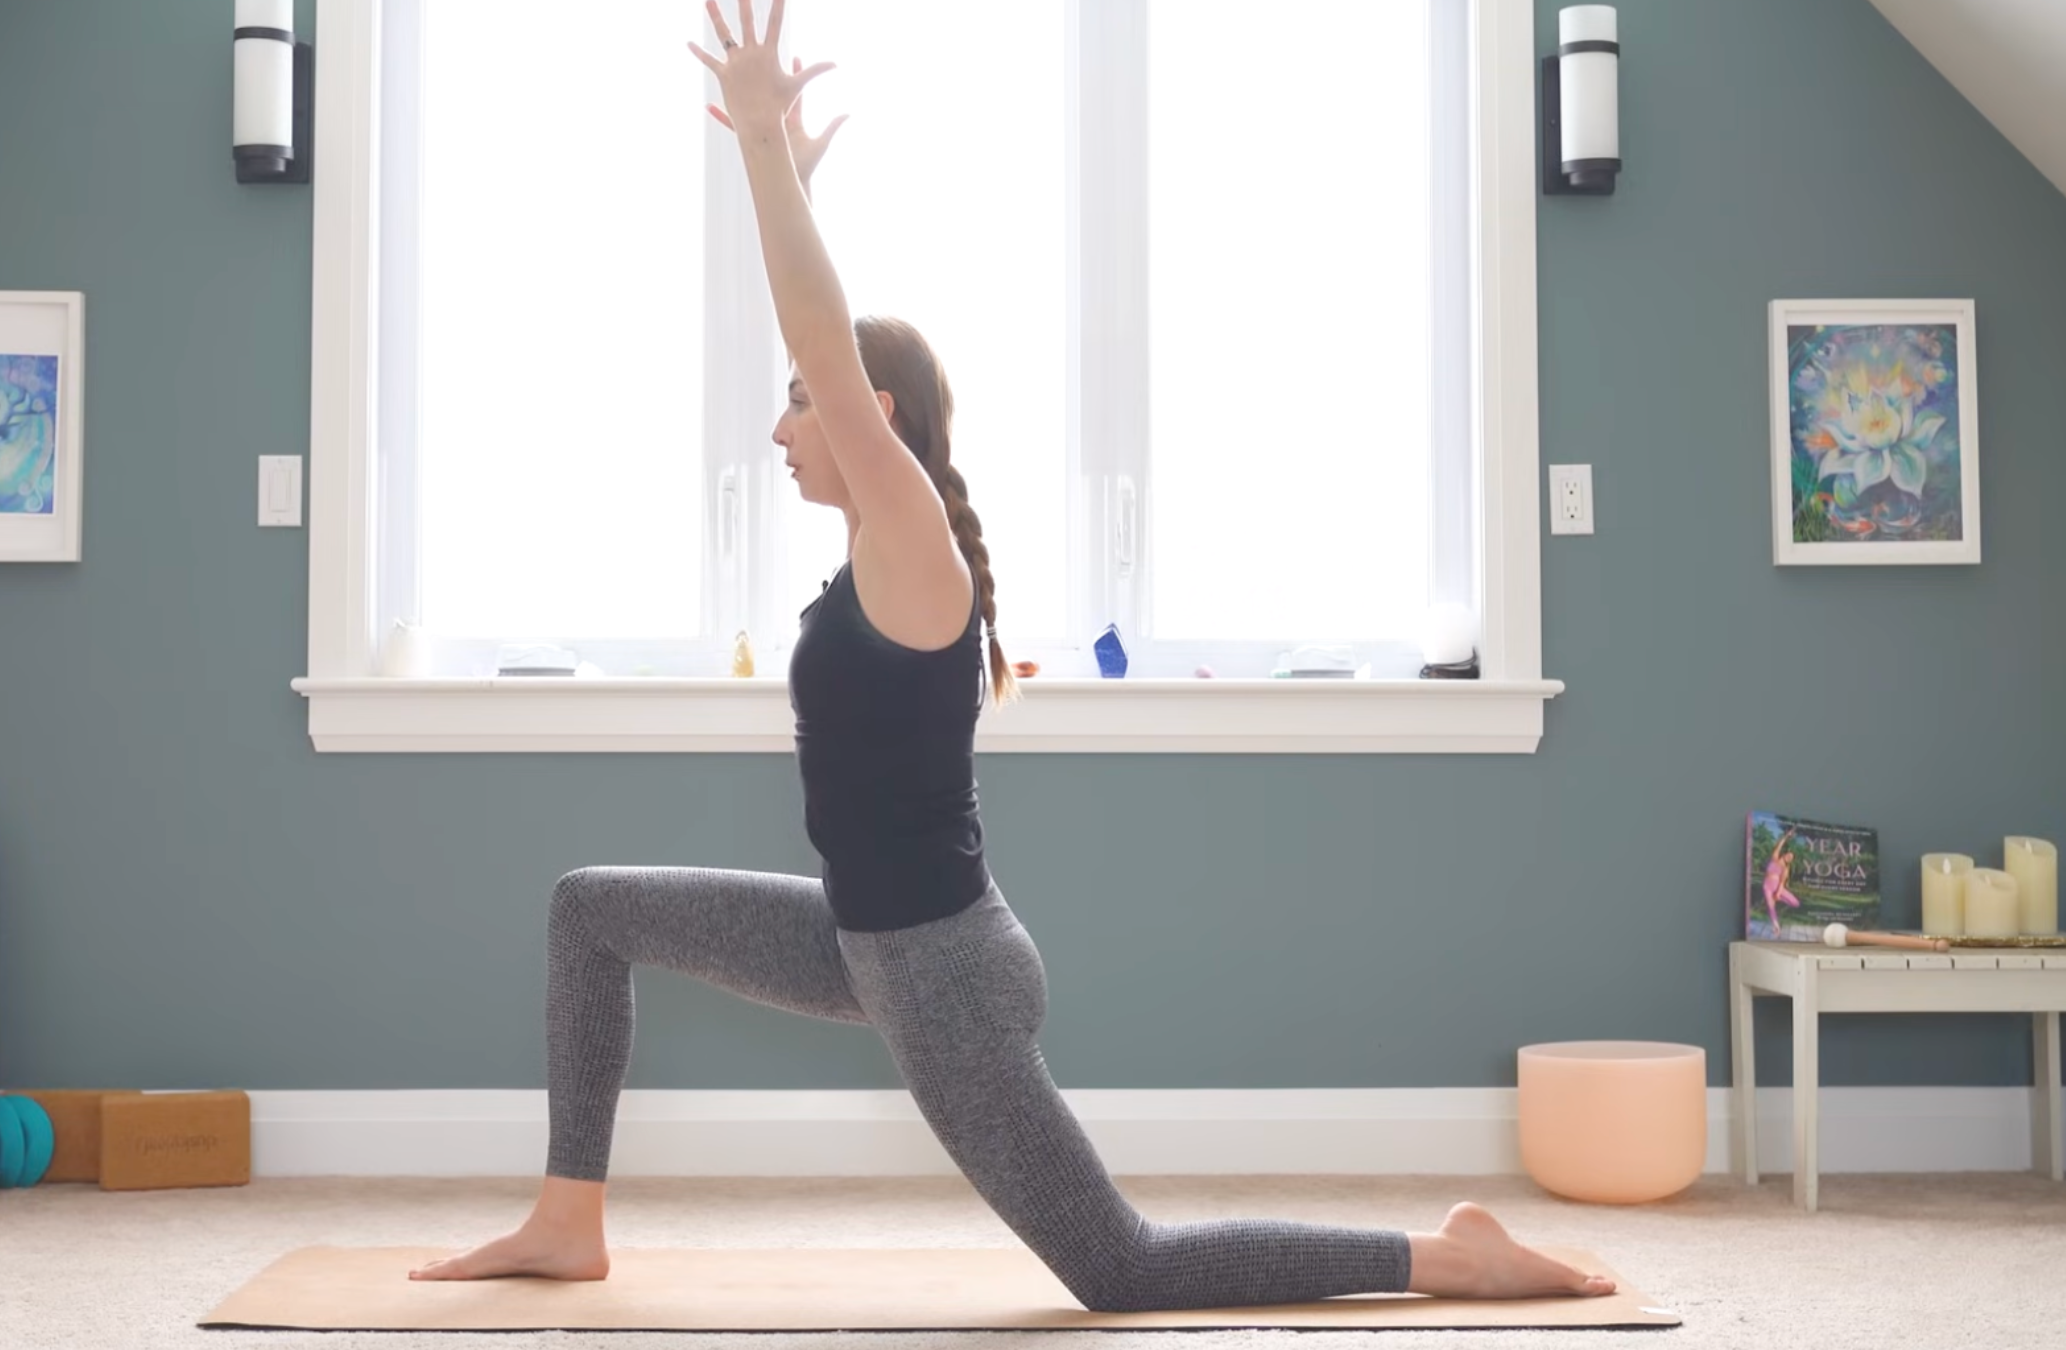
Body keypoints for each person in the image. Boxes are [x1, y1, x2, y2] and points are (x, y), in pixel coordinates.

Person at [412, 0, 1616, 1311]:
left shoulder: (910, 536)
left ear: (874, 419)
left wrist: (761, 149)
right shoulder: (882, 551)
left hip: (942, 973)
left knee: (1121, 1267)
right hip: (869, 937)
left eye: (801, 400)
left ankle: (1448, 1257)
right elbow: (820, 336)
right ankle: (566, 1216)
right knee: (591, 907)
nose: (778, 425)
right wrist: (794, 189)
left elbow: (825, 333)